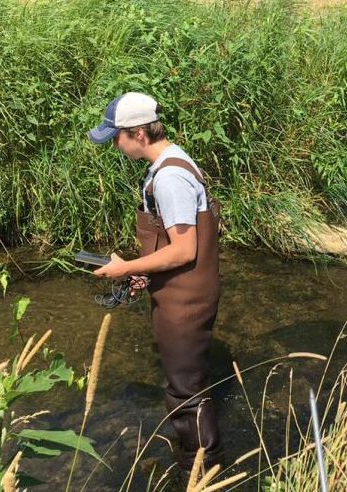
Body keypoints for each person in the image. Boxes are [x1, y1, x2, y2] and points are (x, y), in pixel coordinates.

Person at [88, 92, 223, 470]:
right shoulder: (172, 161)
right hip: (185, 290)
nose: (115, 145)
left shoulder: (169, 178)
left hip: (185, 301)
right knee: (188, 381)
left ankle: (204, 470)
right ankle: (197, 462)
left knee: (186, 393)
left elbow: (184, 250)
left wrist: (126, 268)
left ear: (139, 134)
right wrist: (145, 271)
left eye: (117, 137)